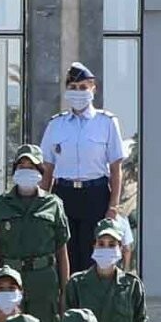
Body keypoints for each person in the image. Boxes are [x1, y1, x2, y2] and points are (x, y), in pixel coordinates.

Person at [38, 59, 130, 253]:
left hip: (95, 194)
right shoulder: (56, 125)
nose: (78, 92)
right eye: (73, 87)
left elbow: (115, 168)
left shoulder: (106, 122)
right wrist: (40, 205)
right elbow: (47, 170)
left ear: (93, 89)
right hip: (63, 195)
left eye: (82, 87)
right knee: (65, 255)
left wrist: (113, 206)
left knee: (93, 255)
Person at [0, 146, 77, 322]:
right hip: (8, 281)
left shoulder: (53, 204)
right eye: (22, 166)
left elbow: (62, 251)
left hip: (43, 280)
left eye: (31, 167)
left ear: (40, 171)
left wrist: (65, 294)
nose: (26, 170)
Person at [62, 216, 147, 322]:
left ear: (120, 247)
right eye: (101, 243)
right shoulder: (77, 284)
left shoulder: (132, 285)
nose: (106, 248)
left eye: (112, 244)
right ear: (94, 245)